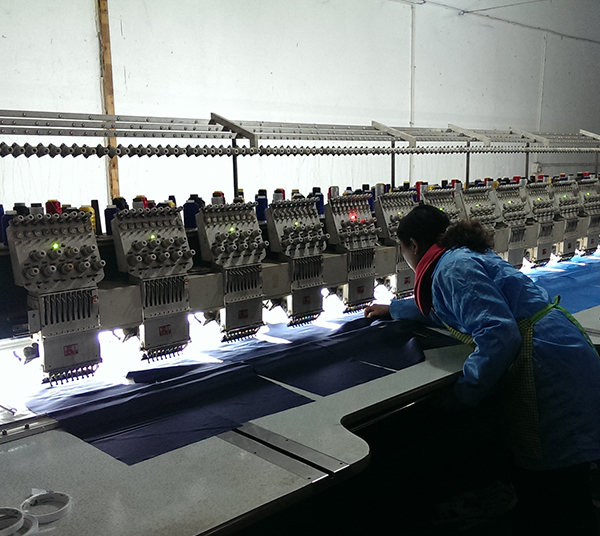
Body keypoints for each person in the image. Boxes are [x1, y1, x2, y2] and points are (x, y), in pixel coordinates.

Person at [364, 203, 600, 535]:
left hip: (546, 366)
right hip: (558, 350)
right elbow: (447, 306)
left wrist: (464, 393)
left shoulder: (451, 268)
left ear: (413, 245)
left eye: (402, 250)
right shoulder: (457, 259)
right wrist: (394, 309)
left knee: (555, 492)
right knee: (562, 483)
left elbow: (499, 334)